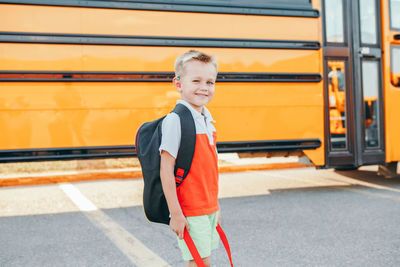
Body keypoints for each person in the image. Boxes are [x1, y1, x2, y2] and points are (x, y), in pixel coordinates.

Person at [159, 50, 220, 267]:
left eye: (210, 82)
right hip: (190, 208)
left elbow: (208, 169)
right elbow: (166, 169)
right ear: (178, 84)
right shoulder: (176, 120)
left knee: (202, 260)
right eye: (196, 80)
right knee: (199, 262)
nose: (204, 87)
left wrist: (215, 206)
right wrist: (175, 214)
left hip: (207, 206)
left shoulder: (207, 119)